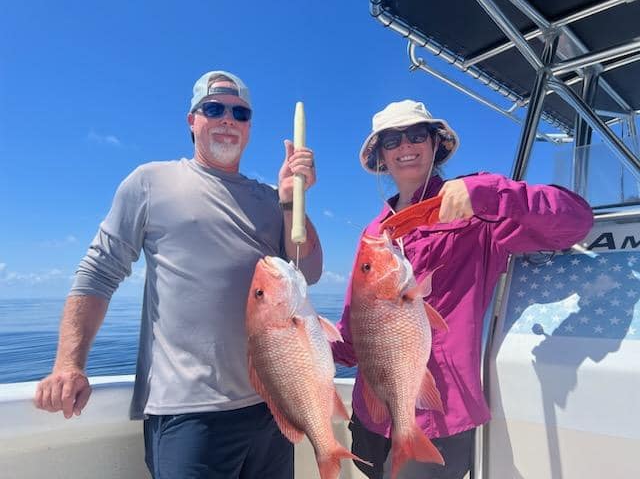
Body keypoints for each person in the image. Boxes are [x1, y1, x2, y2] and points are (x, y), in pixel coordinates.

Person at [34, 70, 322, 479]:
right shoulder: (150, 182)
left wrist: (294, 202)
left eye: (240, 113)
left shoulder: (269, 198)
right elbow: (99, 272)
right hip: (187, 412)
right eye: (213, 108)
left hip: (271, 404)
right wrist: (68, 363)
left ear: (249, 127)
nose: (227, 119)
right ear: (192, 120)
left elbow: (306, 271)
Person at [331, 99, 593, 479]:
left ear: (435, 143)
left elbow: (575, 221)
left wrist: (488, 193)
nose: (405, 146)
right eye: (391, 140)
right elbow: (355, 334)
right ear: (381, 157)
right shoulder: (374, 234)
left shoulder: (476, 209)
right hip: (371, 416)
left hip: (439, 417)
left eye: (416, 135)